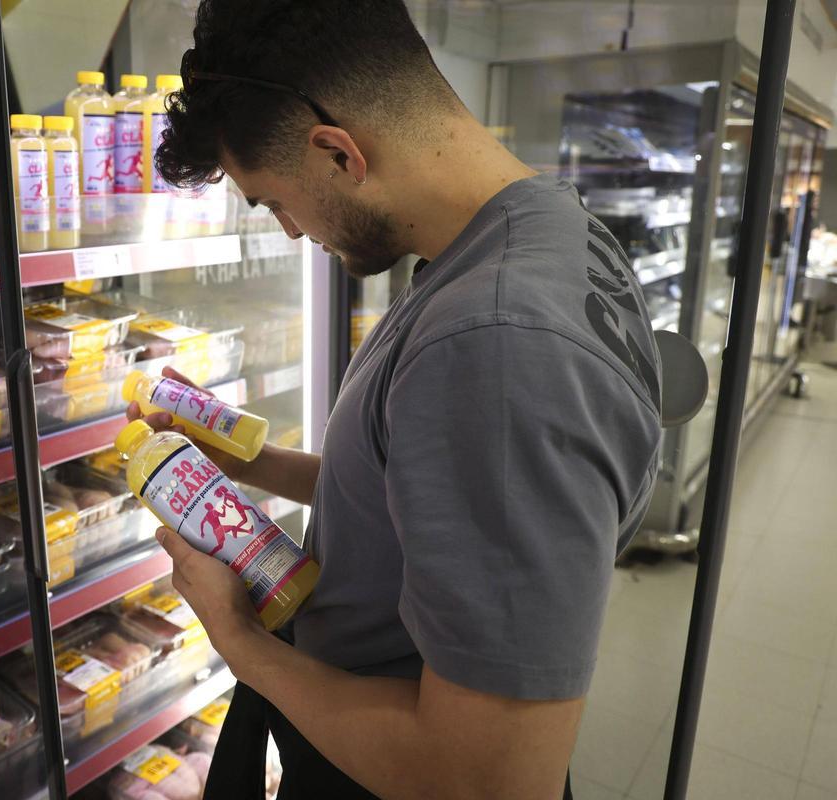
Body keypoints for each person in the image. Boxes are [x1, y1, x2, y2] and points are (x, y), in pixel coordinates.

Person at [128, 1, 663, 798]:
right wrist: (257, 462)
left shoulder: (494, 344)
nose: (289, 231)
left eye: (274, 201)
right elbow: (423, 489)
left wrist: (239, 640)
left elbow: (488, 781)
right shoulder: (539, 227)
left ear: (338, 154)